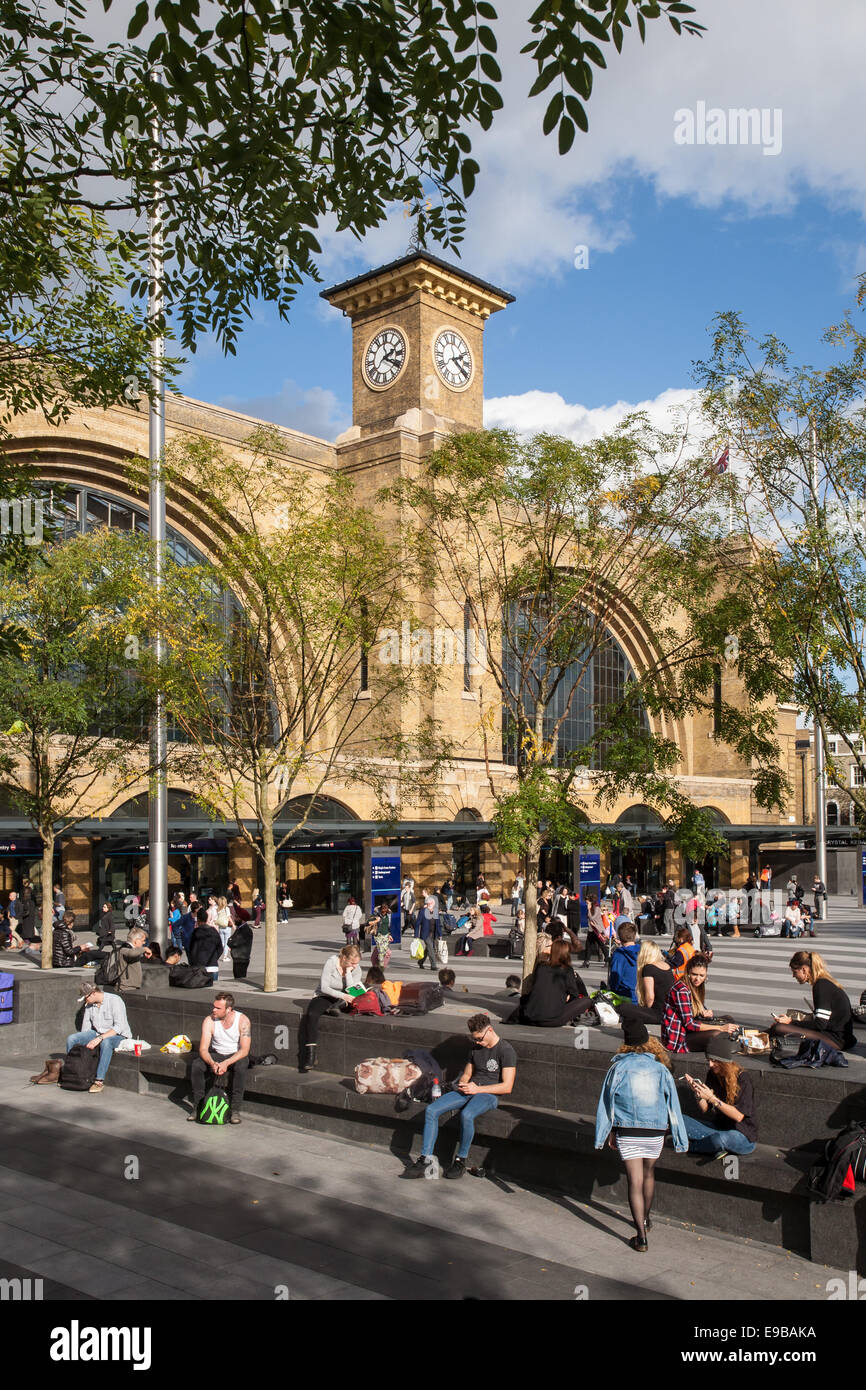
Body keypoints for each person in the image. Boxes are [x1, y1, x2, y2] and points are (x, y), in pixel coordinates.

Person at [595, 1017, 688, 1250]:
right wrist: (679, 1137)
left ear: (625, 1044)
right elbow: (673, 1105)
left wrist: (606, 1133)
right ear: (647, 1042)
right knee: (649, 1175)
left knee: (634, 1181)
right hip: (655, 1131)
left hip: (628, 1130)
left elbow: (607, 1104)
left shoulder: (618, 1067)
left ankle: (641, 1237)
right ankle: (646, 1219)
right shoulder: (660, 1069)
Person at [404, 1014, 516, 1180]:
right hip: (469, 1089)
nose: (478, 1042)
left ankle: (460, 1161)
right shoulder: (475, 1048)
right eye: (475, 1039)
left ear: (490, 1030)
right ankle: (425, 1159)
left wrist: (477, 1089)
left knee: (467, 1115)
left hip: (488, 1094)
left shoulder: (506, 1050)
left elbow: (507, 1087)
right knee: (431, 1110)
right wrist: (462, 1084)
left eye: (480, 1039)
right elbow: (467, 1073)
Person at [682, 1033, 757, 1158]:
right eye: (709, 1060)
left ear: (724, 1061)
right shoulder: (712, 1074)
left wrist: (712, 1098)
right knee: (679, 1120)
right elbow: (705, 1109)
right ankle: (712, 1146)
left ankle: (693, 1146)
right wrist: (699, 1093)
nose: (710, 1064)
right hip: (718, 1129)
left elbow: (738, 1116)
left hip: (742, 1136)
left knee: (722, 1139)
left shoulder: (743, 1079)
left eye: (714, 1060)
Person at [769, 951, 856, 1054]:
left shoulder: (821, 986)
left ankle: (757, 1037)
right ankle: (757, 1036)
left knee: (779, 1027)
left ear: (804, 969)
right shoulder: (824, 982)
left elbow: (820, 1024)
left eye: (795, 972)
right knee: (779, 1027)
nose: (793, 976)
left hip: (836, 1039)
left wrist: (791, 1022)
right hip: (838, 1036)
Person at [188, 992, 250, 1124]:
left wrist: (226, 1063)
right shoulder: (209, 1020)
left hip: (235, 1055)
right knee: (197, 1065)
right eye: (214, 1006)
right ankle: (198, 1107)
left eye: (218, 1008)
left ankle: (235, 1110)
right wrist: (212, 1063)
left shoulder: (243, 1020)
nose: (213, 1010)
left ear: (228, 1009)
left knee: (241, 1067)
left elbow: (245, 1050)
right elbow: (203, 1049)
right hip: (216, 1054)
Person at [300, 943, 362, 1070]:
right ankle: (310, 1056)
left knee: (355, 996)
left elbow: (352, 991)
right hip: (325, 995)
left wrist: (349, 973)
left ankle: (336, 1007)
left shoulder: (357, 969)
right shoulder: (331, 962)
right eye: (352, 963)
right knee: (312, 1015)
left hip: (344, 999)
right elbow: (324, 987)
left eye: (357, 963)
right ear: (344, 958)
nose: (355, 966)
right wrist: (342, 995)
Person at [662, 953, 738, 1054]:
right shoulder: (681, 990)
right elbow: (689, 1024)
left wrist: (703, 1012)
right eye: (694, 974)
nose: (698, 979)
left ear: (706, 975)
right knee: (716, 1033)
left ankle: (727, 1041)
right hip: (678, 1039)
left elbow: (693, 1011)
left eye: (701, 975)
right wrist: (721, 1028)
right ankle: (726, 1042)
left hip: (688, 1031)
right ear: (688, 972)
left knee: (729, 1019)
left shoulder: (694, 986)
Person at [65, 983, 130, 1093]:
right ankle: (73, 1072)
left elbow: (119, 1027)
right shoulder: (89, 1005)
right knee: (72, 1039)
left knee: (106, 1043)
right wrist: (84, 1042)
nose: (85, 1001)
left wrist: (100, 1038)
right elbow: (85, 1028)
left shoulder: (115, 1000)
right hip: (96, 1033)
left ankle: (99, 1080)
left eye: (86, 998)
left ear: (93, 993)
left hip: (118, 1035)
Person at [520, 939, 597, 1027]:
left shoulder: (541, 966)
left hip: (531, 1018)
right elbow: (574, 995)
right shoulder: (567, 970)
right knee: (587, 1000)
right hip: (552, 1020)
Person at [618, 939, 675, 1025]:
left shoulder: (648, 968)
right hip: (669, 1012)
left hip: (658, 1013)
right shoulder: (667, 966)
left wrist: (647, 1010)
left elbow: (650, 997)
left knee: (623, 1007)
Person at [188, 906, 223, 986]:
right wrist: (214, 957)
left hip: (199, 967)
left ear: (198, 919)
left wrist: (194, 962)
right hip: (213, 966)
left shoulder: (196, 932)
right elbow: (220, 948)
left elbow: (191, 949)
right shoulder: (213, 931)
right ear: (207, 919)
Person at [608, 923, 640, 1002]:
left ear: (619, 937)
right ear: (635, 936)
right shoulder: (642, 951)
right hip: (640, 995)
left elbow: (615, 978)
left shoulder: (619, 954)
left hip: (624, 997)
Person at [414, 895, 442, 972]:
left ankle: (420, 961)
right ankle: (433, 965)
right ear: (430, 903)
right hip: (425, 934)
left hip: (433, 933)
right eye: (433, 902)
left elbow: (438, 924)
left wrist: (440, 934)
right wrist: (416, 935)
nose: (434, 903)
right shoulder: (423, 911)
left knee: (428, 949)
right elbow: (417, 923)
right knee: (431, 949)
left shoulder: (435, 911)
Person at [583, 893, 608, 968]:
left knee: (602, 945)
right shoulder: (591, 908)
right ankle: (586, 962)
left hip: (597, 930)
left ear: (591, 902)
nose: (586, 904)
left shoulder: (597, 908)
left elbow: (592, 918)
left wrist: (588, 909)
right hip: (591, 930)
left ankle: (607, 960)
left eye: (587, 902)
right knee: (588, 945)